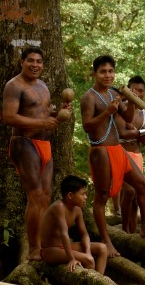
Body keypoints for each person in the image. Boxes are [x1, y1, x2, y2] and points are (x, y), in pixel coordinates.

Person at [80, 55, 145, 258]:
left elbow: (127, 117)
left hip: (118, 149)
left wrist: (132, 101)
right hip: (100, 150)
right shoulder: (89, 97)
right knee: (101, 197)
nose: (108, 75)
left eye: (111, 71)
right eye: (103, 71)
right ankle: (106, 241)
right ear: (95, 74)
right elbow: (87, 126)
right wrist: (107, 112)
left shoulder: (113, 94)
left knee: (142, 184)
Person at [3, 47, 71, 261]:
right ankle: (33, 250)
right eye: (30, 60)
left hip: (44, 144)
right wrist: (42, 122)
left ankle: (43, 244)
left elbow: (44, 112)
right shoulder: (14, 86)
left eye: (39, 61)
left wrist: (58, 111)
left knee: (46, 196)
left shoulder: (42, 86)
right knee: (35, 196)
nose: (35, 65)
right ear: (22, 61)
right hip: (24, 143)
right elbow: (9, 117)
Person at [40, 175, 108, 274]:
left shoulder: (77, 210)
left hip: (66, 247)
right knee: (89, 260)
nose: (86, 197)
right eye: (83, 194)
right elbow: (64, 233)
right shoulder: (59, 207)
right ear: (70, 196)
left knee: (103, 248)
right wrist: (71, 258)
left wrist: (88, 251)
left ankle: (99, 279)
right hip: (51, 250)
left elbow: (84, 234)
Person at [117, 76, 145, 233]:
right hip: (121, 153)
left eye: (141, 90)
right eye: (134, 90)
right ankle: (124, 230)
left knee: (137, 197)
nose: (138, 93)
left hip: (137, 154)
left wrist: (137, 132)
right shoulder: (121, 109)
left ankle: (134, 230)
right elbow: (123, 134)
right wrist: (141, 132)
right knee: (129, 192)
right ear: (128, 91)